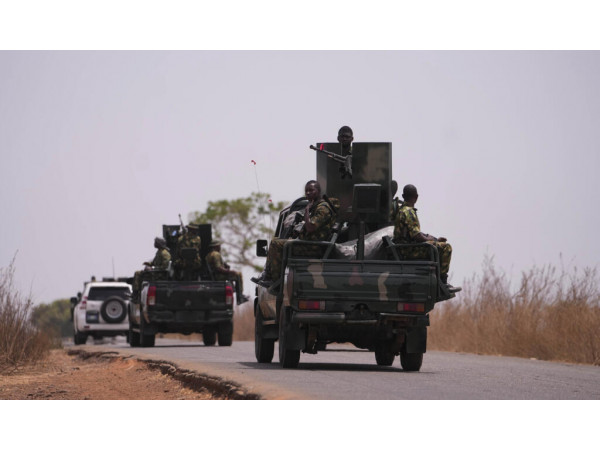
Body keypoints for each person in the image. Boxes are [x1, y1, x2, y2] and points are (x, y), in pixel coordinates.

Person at [261, 180, 338, 286]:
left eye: (311, 190)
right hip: (307, 243)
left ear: (318, 191)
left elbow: (310, 227)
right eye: (306, 191)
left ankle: (275, 281)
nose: (308, 193)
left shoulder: (323, 208)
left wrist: (306, 211)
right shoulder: (316, 206)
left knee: (276, 244)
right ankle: (267, 275)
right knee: (276, 241)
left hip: (313, 247)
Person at [392, 184, 454, 286]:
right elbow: (417, 236)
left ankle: (438, 278)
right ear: (416, 197)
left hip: (404, 249)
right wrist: (433, 242)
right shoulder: (409, 212)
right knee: (446, 247)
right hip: (409, 251)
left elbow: (416, 234)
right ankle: (442, 281)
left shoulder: (401, 210)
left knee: (437, 245)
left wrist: (435, 239)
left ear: (403, 196)